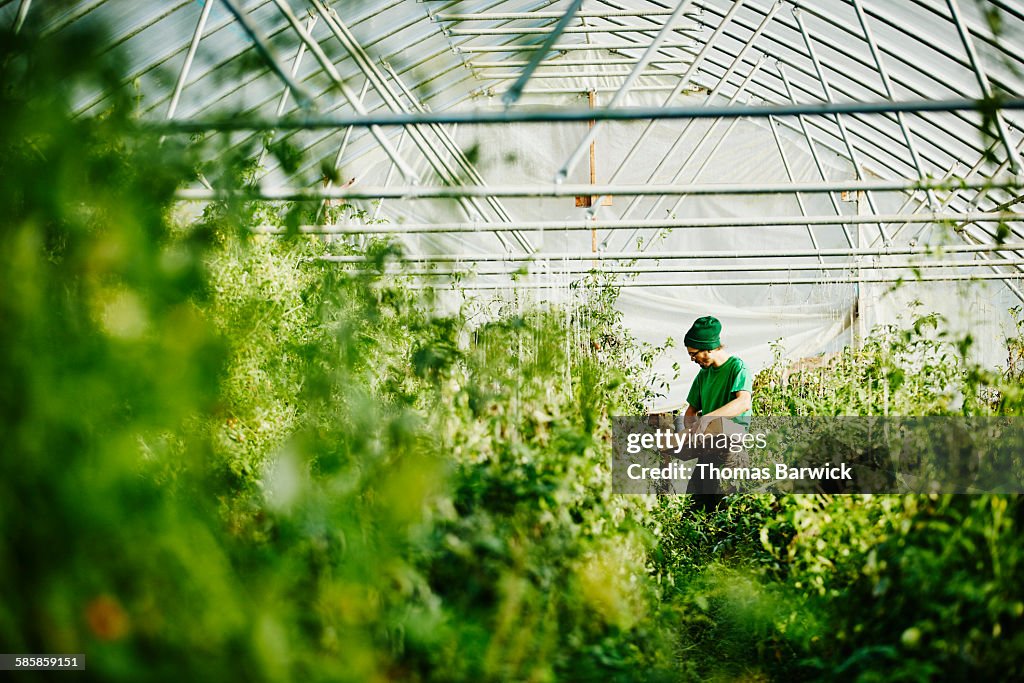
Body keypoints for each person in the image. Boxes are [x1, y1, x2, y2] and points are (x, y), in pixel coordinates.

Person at [678, 316, 753, 507]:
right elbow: (691, 412)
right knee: (694, 507)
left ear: (709, 348)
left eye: (694, 354)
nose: (692, 359)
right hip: (708, 447)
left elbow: (743, 402)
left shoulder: (737, 368)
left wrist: (707, 419)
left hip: (730, 448)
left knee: (727, 508)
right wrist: (692, 429)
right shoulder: (703, 375)